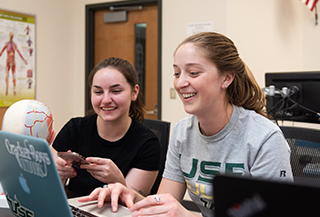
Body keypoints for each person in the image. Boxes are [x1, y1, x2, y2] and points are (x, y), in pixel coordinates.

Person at [79, 32, 293, 217]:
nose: (180, 83)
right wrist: (129, 195)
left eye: (193, 73)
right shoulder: (183, 132)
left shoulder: (264, 138)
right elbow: (163, 202)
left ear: (226, 78)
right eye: (177, 73)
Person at [50, 57, 161, 198]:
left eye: (116, 91)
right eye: (98, 92)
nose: (106, 100)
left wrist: (117, 180)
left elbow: (132, 206)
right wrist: (57, 173)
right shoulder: (74, 129)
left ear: (134, 92)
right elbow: (52, 193)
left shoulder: (147, 143)